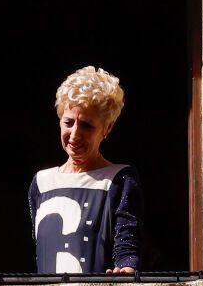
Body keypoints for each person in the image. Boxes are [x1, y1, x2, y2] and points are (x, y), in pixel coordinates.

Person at [29, 66, 142, 275]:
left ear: (107, 128)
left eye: (87, 126)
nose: (74, 135)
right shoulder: (41, 182)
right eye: (68, 122)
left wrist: (126, 268)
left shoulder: (120, 179)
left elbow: (127, 244)